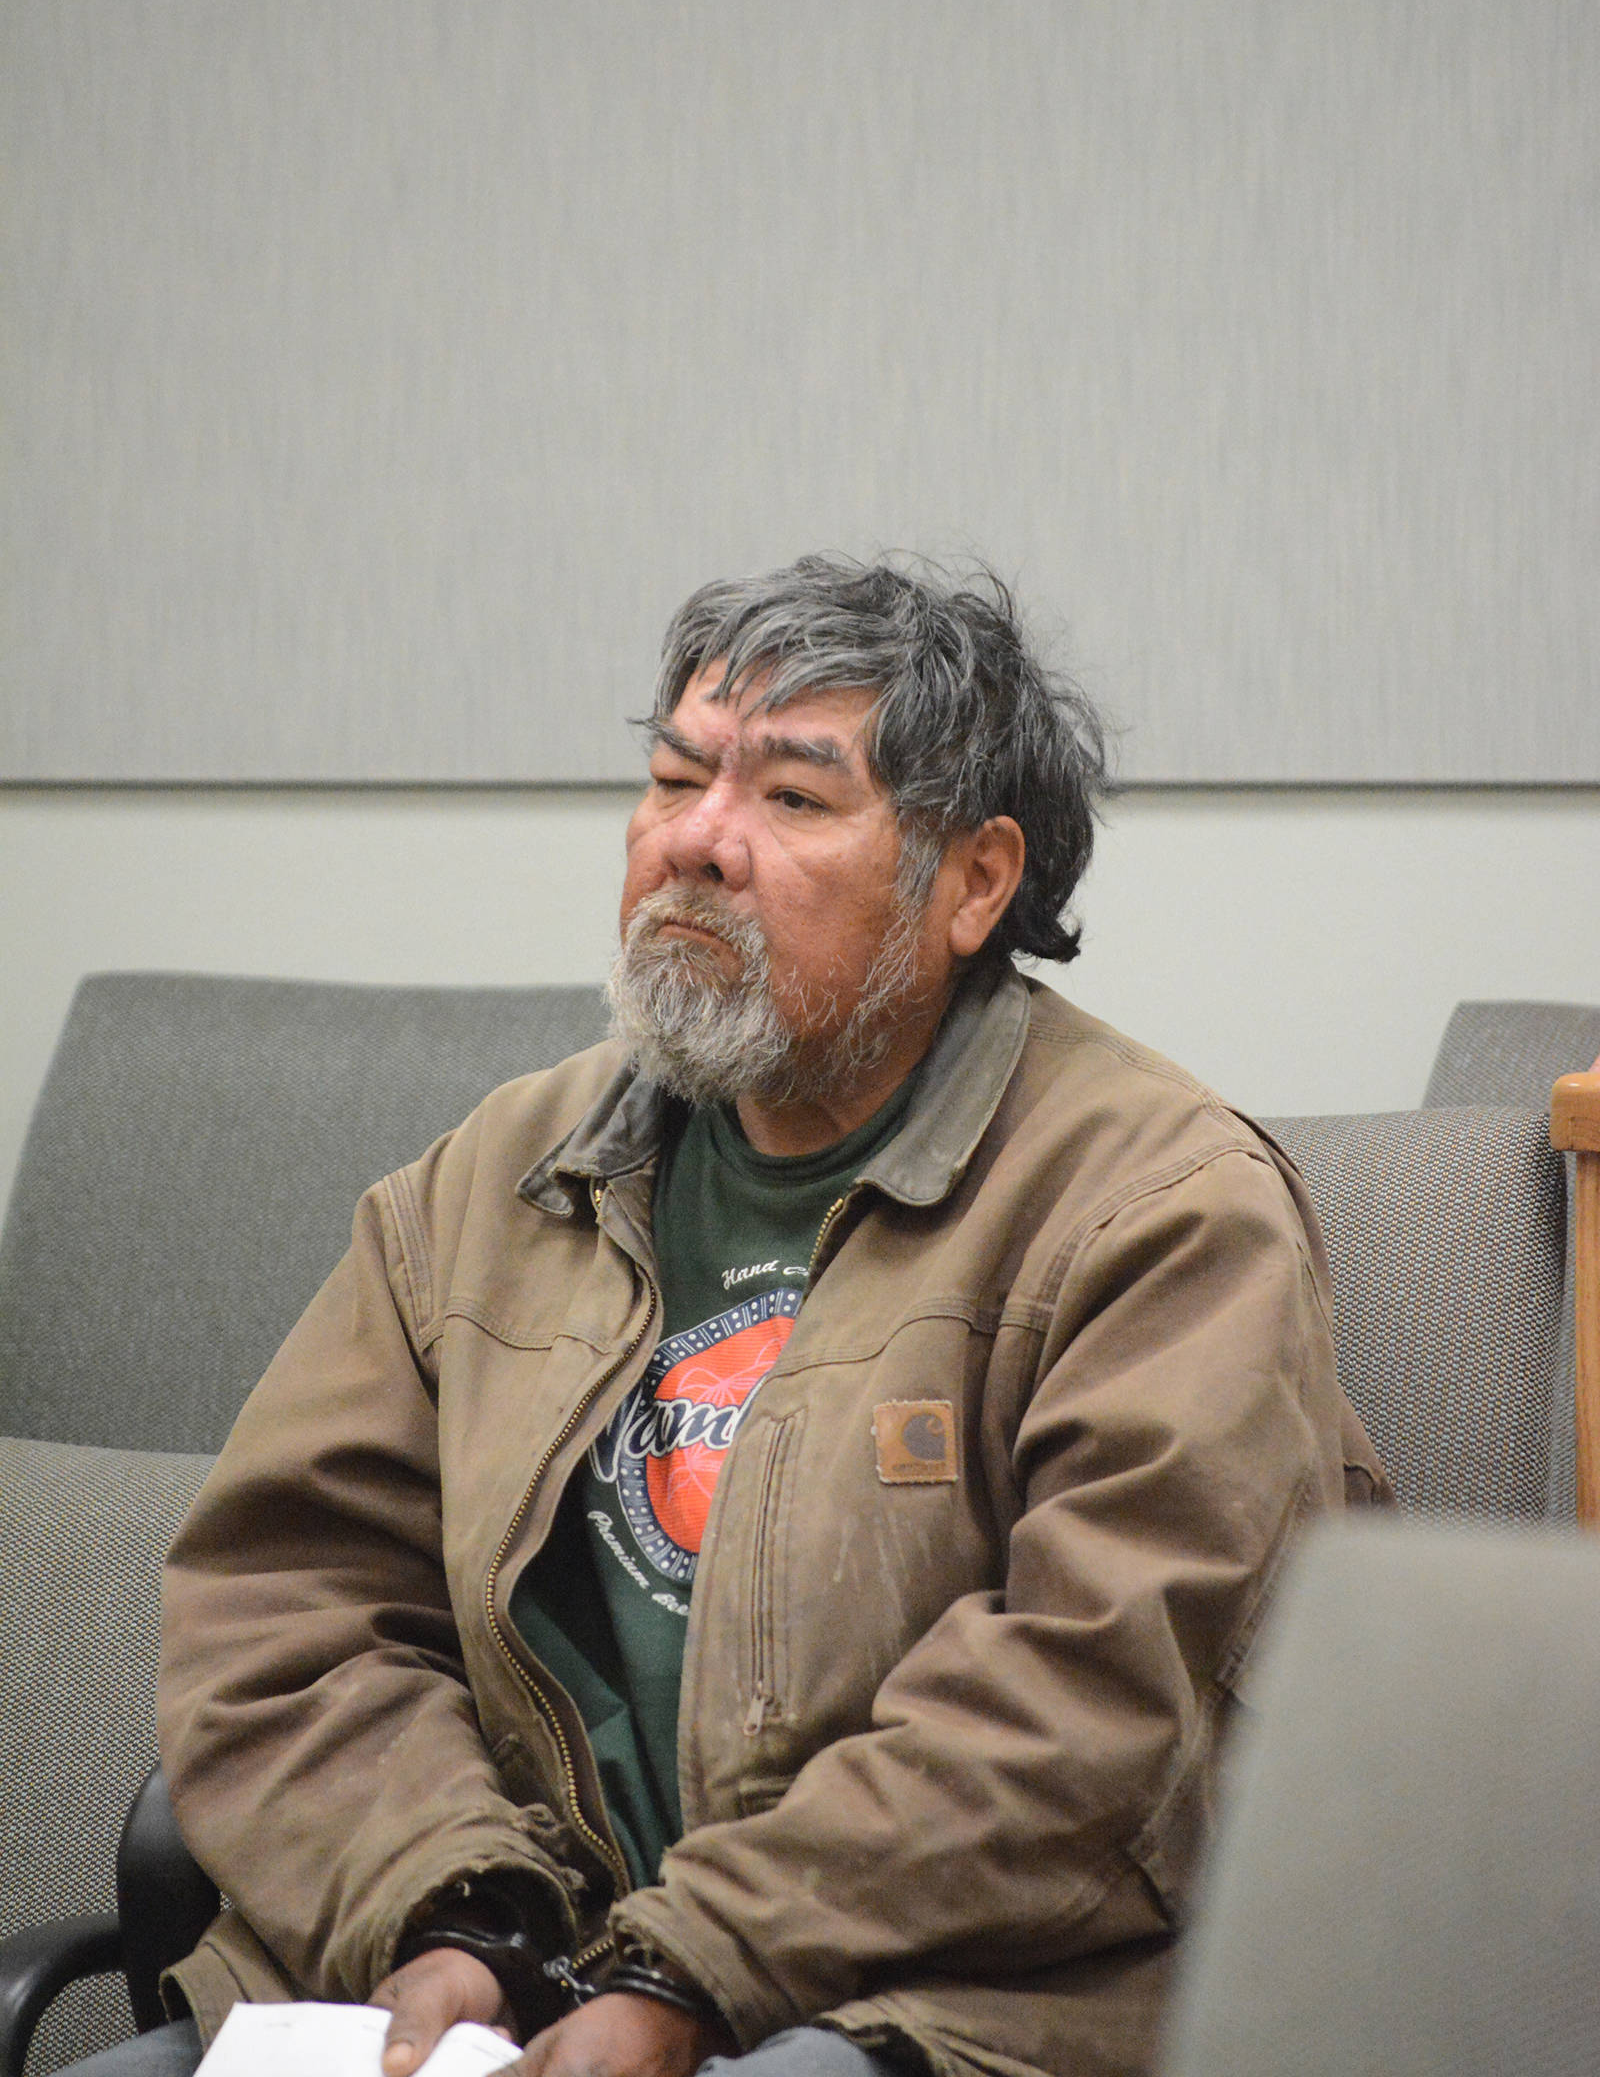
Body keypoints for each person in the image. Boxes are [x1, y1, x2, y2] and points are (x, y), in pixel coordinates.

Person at [116, 556, 1384, 2077]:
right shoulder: (491, 1183)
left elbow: (1094, 1712)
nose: (697, 843)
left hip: (944, 2007)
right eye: (672, 776)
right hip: (508, 1981)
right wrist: (454, 1916)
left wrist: (689, 1975)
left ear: (975, 882)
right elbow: (290, 1613)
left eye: (791, 799)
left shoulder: (1161, 1211)